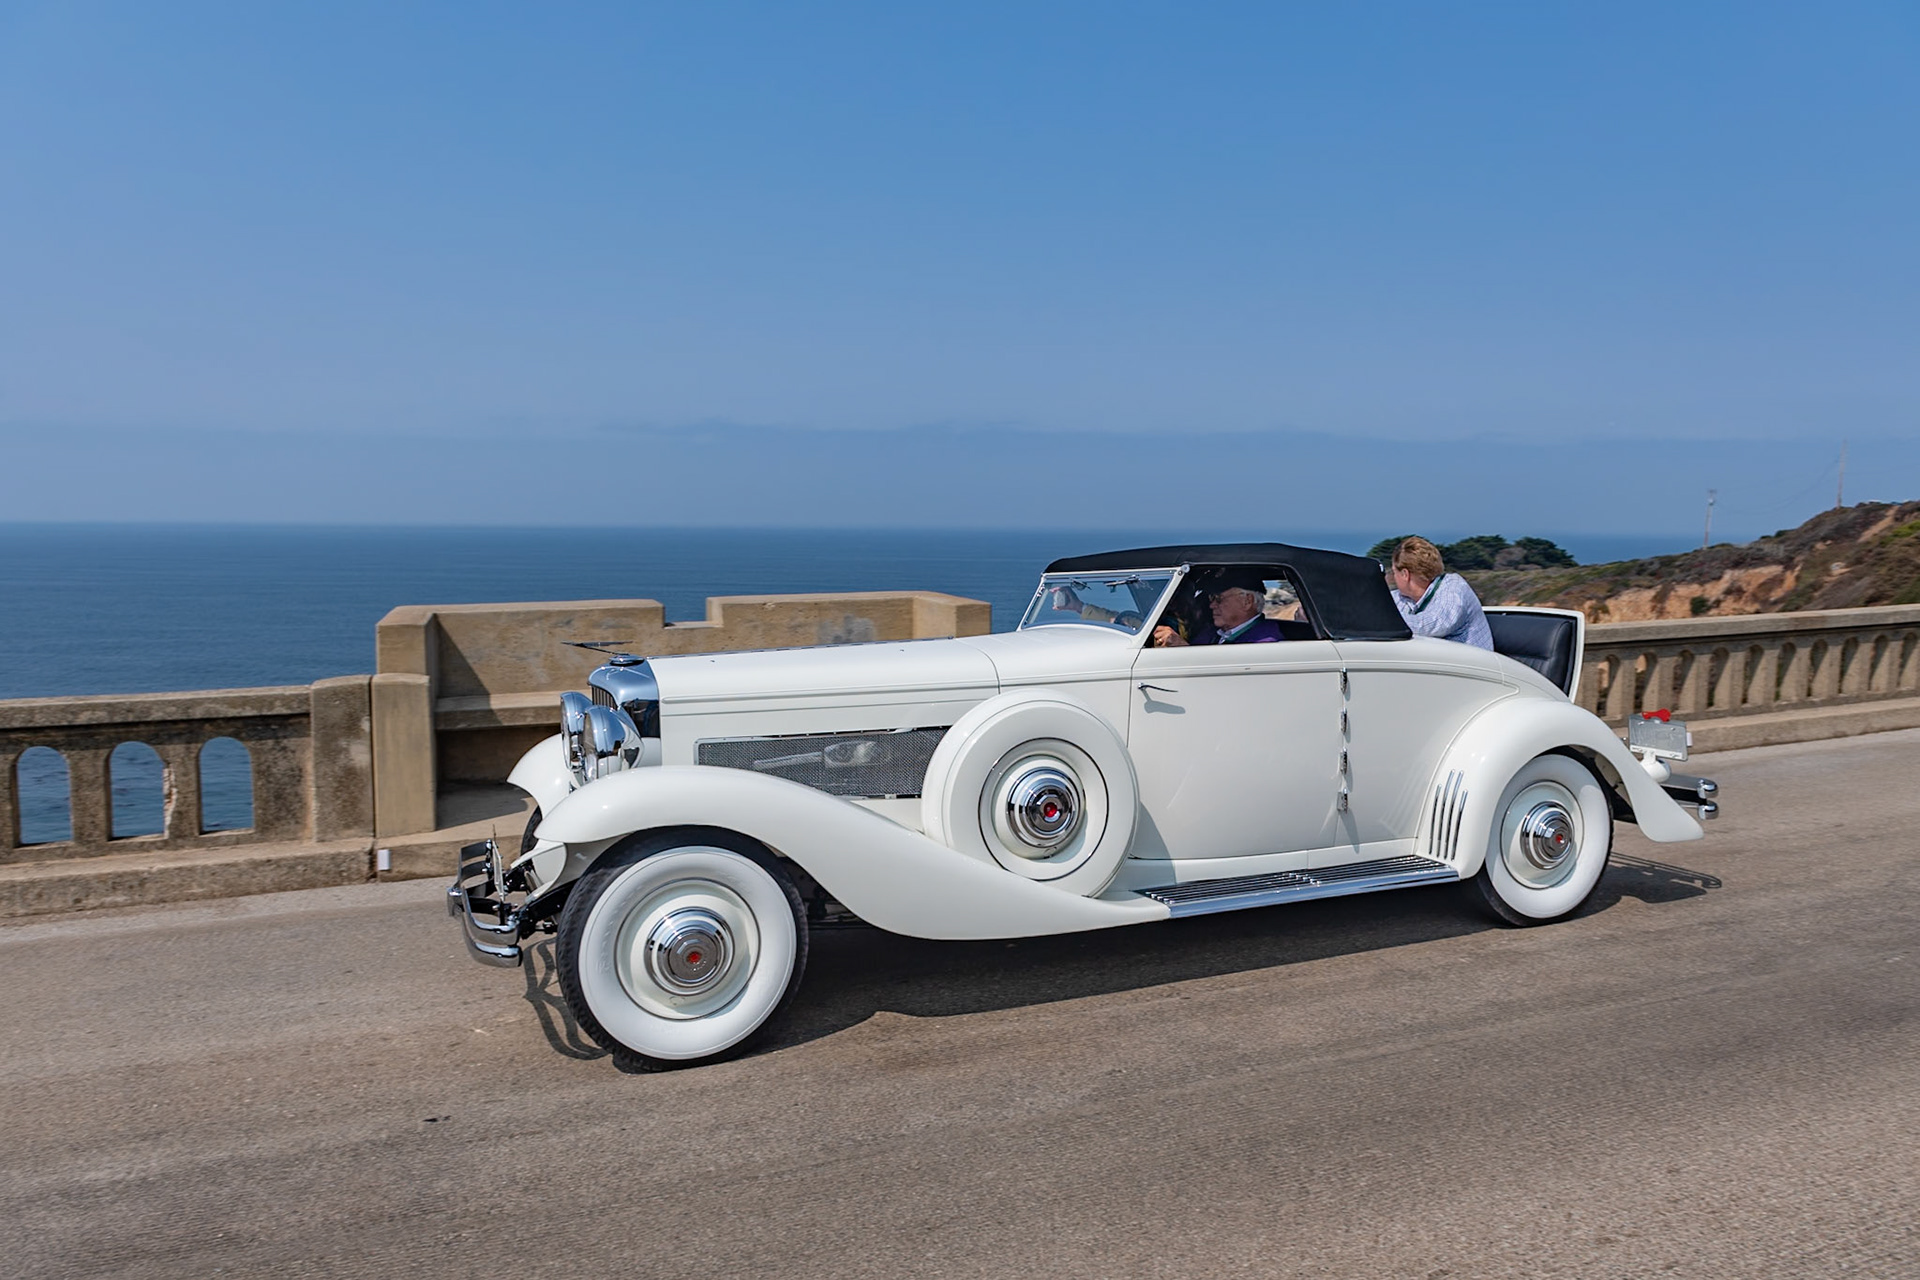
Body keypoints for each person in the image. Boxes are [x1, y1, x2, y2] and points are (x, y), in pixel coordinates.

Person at [1387, 536, 1494, 650]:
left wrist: (1384, 621)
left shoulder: (1454, 588)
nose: (1394, 577)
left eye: (1394, 572)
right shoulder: (1405, 597)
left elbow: (1434, 625)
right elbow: (1384, 604)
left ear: (1405, 574)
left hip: (1471, 660)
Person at [1152, 570, 1283, 646]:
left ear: (1247, 601)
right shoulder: (1211, 632)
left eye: (1218, 598)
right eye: (1211, 598)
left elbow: (1232, 678)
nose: (1212, 605)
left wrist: (1183, 649)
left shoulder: (1264, 641)